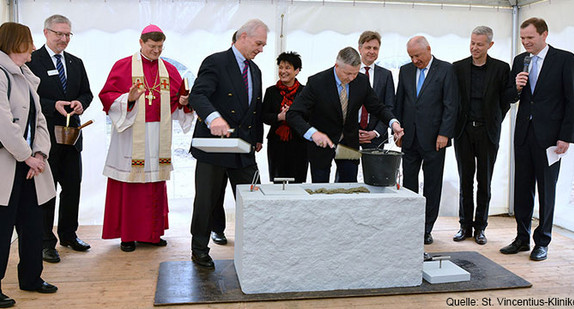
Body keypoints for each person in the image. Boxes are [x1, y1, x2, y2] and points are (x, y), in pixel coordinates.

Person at [99, 24, 192, 252]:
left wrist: (183, 103)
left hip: (158, 135)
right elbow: (107, 96)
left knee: (154, 185)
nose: (156, 51)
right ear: (141, 43)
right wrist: (127, 100)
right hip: (131, 134)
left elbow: (178, 102)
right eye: (152, 46)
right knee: (130, 184)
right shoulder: (123, 66)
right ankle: (128, 235)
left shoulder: (169, 70)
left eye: (160, 47)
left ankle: (151, 233)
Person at [189, 19, 267, 269]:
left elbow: (255, 108)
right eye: (258, 43)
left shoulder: (255, 70)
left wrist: (256, 138)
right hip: (214, 146)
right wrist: (214, 117)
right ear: (242, 36)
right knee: (207, 200)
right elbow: (197, 95)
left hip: (243, 147)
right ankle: (199, 248)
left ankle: (256, 246)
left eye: (263, 45)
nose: (261, 49)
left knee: (254, 198)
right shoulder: (216, 61)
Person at [500, 17, 574, 261]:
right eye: (522, 38)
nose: (525, 42)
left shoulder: (565, 59)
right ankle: (521, 238)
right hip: (523, 133)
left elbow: (571, 101)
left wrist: (566, 137)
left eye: (530, 38)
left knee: (546, 190)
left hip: (551, 138)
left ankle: (542, 241)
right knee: (522, 187)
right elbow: (509, 96)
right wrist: (518, 88)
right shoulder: (520, 61)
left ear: (544, 35)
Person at [0, 21, 58, 308]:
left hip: (30, 165)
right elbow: (4, 125)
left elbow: (40, 121)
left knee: (33, 225)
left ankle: (32, 278)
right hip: (8, 166)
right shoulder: (0, 75)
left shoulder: (25, 75)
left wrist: (41, 154)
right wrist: (27, 156)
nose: (34, 47)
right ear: (14, 43)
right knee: (1, 229)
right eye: (29, 41)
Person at [27, 14, 93, 264]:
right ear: (46, 33)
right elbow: (29, 100)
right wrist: (53, 105)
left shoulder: (76, 63)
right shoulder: (33, 62)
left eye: (67, 35)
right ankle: (46, 242)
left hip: (72, 135)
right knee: (47, 191)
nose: (63, 39)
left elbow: (87, 93)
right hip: (46, 138)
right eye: (59, 34)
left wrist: (80, 104)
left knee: (72, 187)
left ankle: (68, 235)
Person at [286, 47, 403, 183]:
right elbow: (293, 114)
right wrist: (313, 133)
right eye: (347, 73)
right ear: (337, 66)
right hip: (321, 145)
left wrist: (393, 122)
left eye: (355, 73)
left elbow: (377, 107)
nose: (351, 78)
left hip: (348, 144)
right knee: (320, 188)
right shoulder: (317, 82)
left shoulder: (361, 81)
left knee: (349, 186)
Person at [452, 26, 515, 245]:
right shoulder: (458, 68)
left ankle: (481, 227)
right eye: (472, 43)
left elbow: (506, 99)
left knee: (484, 181)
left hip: (488, 132)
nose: (474, 48)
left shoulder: (501, 68)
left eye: (479, 44)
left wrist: (494, 118)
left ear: (490, 45)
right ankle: (464, 226)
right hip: (463, 131)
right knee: (465, 180)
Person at [395, 36, 458, 245]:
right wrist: (398, 132)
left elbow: (451, 105)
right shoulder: (405, 71)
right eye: (411, 56)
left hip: (435, 140)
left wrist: (444, 133)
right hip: (410, 139)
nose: (415, 60)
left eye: (418, 56)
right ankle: (410, 225)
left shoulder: (446, 69)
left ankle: (426, 228)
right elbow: (400, 103)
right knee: (409, 184)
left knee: (432, 185)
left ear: (428, 49)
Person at [262, 52, 307, 183]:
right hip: (277, 143)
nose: (283, 71)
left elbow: (310, 116)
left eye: (287, 68)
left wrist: (293, 116)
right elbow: (264, 116)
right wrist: (279, 117)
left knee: (298, 181)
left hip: (299, 142)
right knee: (278, 181)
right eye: (280, 67)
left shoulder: (305, 92)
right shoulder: (271, 91)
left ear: (297, 71)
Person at [357, 31, 396, 151]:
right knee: (345, 169)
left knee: (374, 170)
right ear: (360, 48)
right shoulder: (349, 72)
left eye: (375, 48)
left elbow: (389, 106)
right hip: (350, 135)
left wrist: (376, 132)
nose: (372, 51)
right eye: (368, 47)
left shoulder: (386, 75)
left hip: (376, 137)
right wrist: (352, 131)